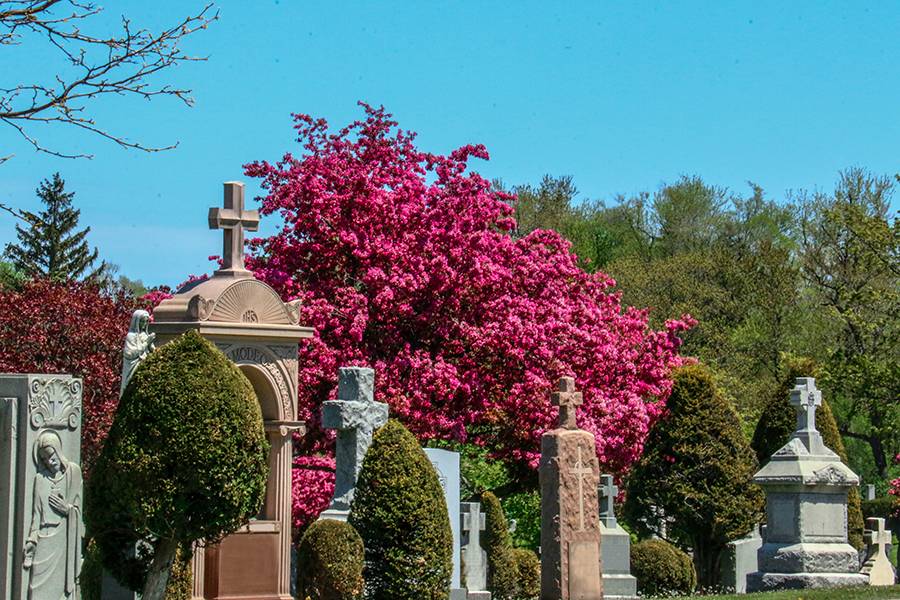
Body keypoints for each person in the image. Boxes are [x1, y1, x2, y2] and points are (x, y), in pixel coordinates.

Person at [23, 431, 82, 600]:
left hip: (64, 540)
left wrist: (68, 509)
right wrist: (32, 541)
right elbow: (36, 515)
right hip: (44, 541)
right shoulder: (40, 480)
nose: (49, 461)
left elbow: (78, 513)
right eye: (44, 459)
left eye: (51, 455)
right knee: (35, 592)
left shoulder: (73, 473)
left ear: (58, 450)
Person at [120, 309, 156, 397]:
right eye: (142, 321)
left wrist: (150, 344)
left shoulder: (145, 335)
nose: (144, 324)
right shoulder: (131, 336)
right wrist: (147, 342)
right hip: (133, 366)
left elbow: (153, 351)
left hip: (146, 364)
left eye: (146, 321)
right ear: (136, 321)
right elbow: (130, 353)